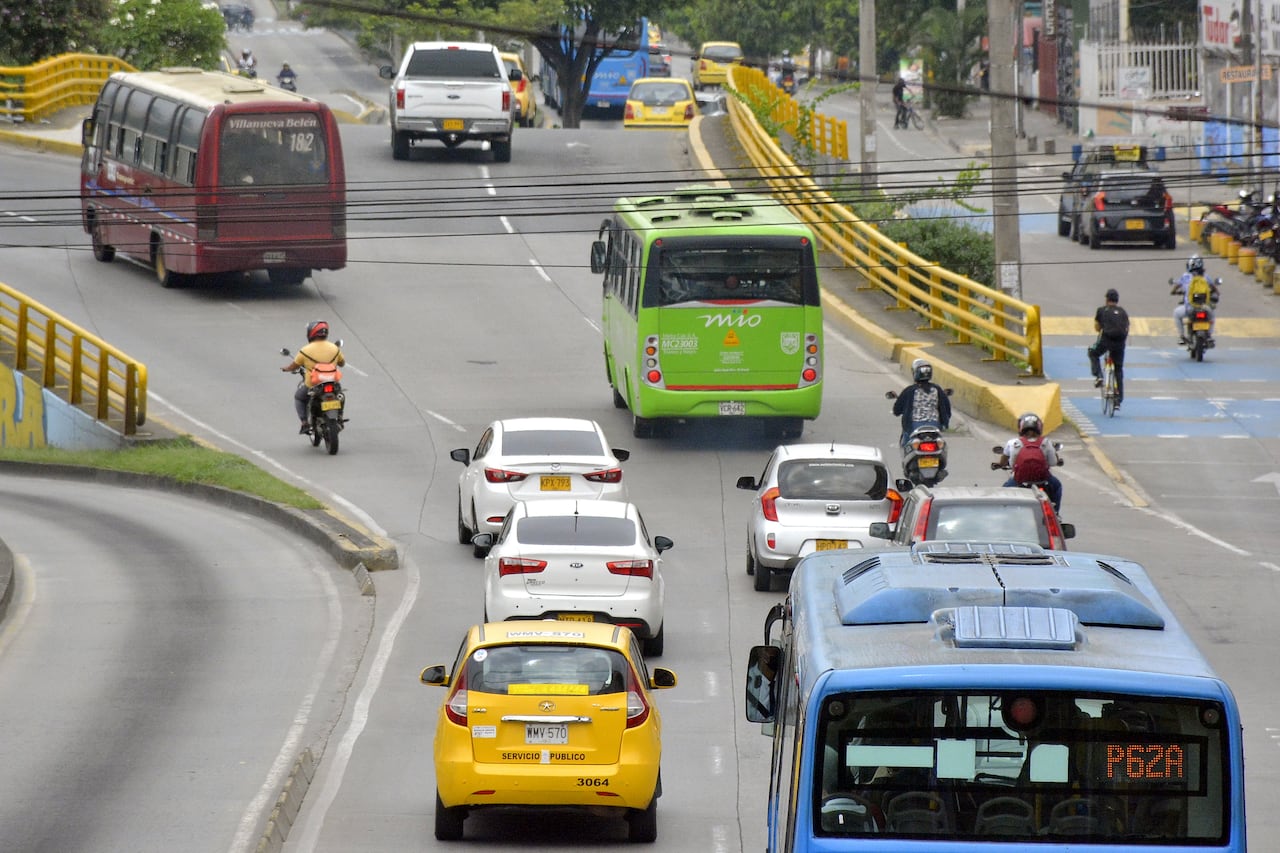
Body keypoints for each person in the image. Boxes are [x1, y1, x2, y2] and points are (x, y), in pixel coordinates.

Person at [281, 320, 345, 433]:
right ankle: (339, 417)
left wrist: (286, 369)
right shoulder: (334, 348)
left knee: (299, 398)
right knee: (341, 396)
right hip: (333, 383)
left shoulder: (305, 350)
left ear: (311, 333)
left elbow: (294, 366)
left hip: (313, 384)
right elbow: (342, 363)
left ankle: (305, 423)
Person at [997, 412, 1062, 512]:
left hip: (1018, 480)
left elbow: (1007, 463)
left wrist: (1000, 465)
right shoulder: (1046, 442)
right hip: (1043, 481)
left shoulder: (1013, 443)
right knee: (1057, 486)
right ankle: (1055, 513)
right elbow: (1053, 462)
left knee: (1003, 493)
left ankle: (1004, 514)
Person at [892, 358, 951, 447]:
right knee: (941, 445)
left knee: (905, 445)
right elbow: (947, 410)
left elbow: (896, 411)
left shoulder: (909, 390)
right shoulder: (937, 389)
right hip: (935, 426)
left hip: (914, 426)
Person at [1088, 288, 1129, 411]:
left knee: (1092, 352)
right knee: (1118, 369)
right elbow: (1126, 328)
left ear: (1107, 299)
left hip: (1106, 341)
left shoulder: (1101, 310)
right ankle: (1118, 399)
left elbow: (1097, 327)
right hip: (1120, 344)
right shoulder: (1123, 312)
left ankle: (1099, 376)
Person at [1170, 254, 1219, 344]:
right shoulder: (1206, 277)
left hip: (1190, 307)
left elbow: (1175, 288)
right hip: (1205, 307)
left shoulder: (1185, 276)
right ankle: (1209, 335)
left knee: (1176, 314)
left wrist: (1174, 292)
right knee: (1212, 315)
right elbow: (1215, 289)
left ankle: (1181, 336)